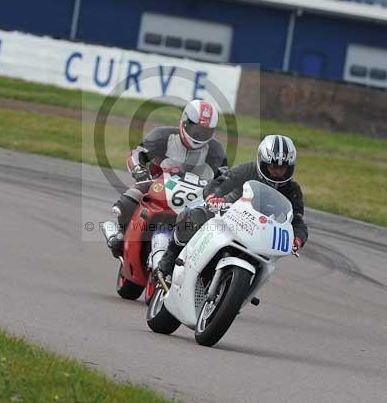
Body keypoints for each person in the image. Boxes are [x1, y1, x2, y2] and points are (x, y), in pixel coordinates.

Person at [157, 134, 309, 277]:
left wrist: (297, 239)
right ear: (263, 162)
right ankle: (168, 259)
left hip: (259, 233)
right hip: (229, 215)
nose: (277, 172)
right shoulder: (248, 170)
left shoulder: (292, 190)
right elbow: (219, 183)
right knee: (194, 217)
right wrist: (214, 197)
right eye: (273, 166)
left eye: (282, 168)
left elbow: (297, 222)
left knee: (267, 262)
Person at [106, 99, 227, 257]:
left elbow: (225, 176)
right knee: (128, 201)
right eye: (195, 130)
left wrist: (222, 191)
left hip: (196, 194)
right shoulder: (162, 136)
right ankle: (122, 235)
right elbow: (137, 154)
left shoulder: (216, 150)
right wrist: (139, 170)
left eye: (205, 132)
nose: (199, 136)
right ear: (184, 122)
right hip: (158, 184)